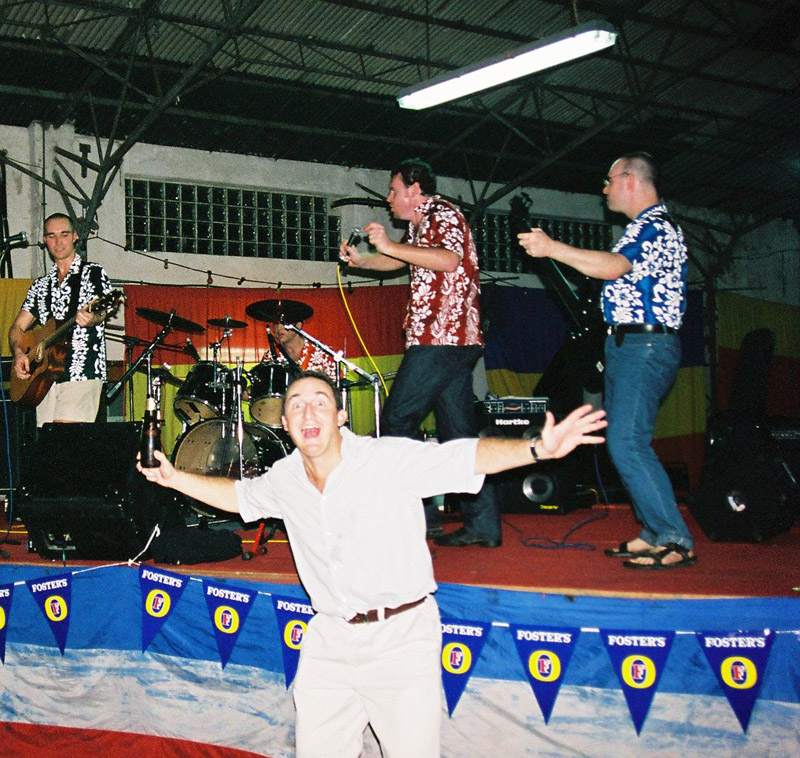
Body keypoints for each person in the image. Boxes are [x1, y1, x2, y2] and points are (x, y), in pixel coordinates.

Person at [139, 370, 606, 758]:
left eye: (320, 402)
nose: (307, 412)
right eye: (296, 404)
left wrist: (537, 448)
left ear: (341, 415)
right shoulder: (284, 478)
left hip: (400, 636)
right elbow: (239, 496)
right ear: (284, 423)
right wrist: (174, 478)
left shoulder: (386, 459)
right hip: (329, 637)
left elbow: (466, 456)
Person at [518, 152, 696, 569]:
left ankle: (675, 537)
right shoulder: (641, 228)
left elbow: (613, 268)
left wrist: (552, 248)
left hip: (644, 346)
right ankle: (653, 532)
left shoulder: (654, 226)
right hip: (630, 345)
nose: (604, 189)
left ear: (631, 180)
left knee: (627, 442)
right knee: (624, 442)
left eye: (609, 180)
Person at [339, 158, 501, 547]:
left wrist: (388, 244)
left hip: (440, 338)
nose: (389, 198)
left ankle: (418, 517)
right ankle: (483, 524)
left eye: (393, 190)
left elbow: (448, 259)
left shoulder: (441, 213)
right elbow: (400, 259)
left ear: (414, 189)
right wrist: (364, 260)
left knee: (398, 421)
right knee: (459, 435)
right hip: (455, 341)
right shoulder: (421, 224)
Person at [8, 213, 115, 426]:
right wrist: (19, 353)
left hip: (81, 372)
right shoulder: (40, 286)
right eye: (52, 236)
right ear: (45, 241)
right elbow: (17, 327)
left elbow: (101, 312)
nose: (58, 242)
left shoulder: (92, 273)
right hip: (45, 378)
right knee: (49, 443)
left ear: (75, 236)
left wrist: (92, 318)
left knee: (65, 439)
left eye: (64, 234)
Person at [270, 319, 338, 381]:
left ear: (298, 325)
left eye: (284, 323)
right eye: (276, 323)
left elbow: (337, 386)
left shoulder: (323, 353)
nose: (278, 328)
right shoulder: (270, 357)